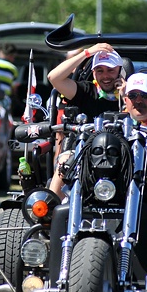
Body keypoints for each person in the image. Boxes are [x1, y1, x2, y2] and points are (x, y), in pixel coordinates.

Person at [46, 43, 126, 195]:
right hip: (82, 151)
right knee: (65, 162)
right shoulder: (86, 90)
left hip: (121, 153)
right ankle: (50, 214)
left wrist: (126, 95)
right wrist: (86, 53)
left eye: (111, 70)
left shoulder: (132, 94)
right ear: (94, 73)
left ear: (120, 71)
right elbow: (53, 77)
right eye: (100, 71)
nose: (106, 76)